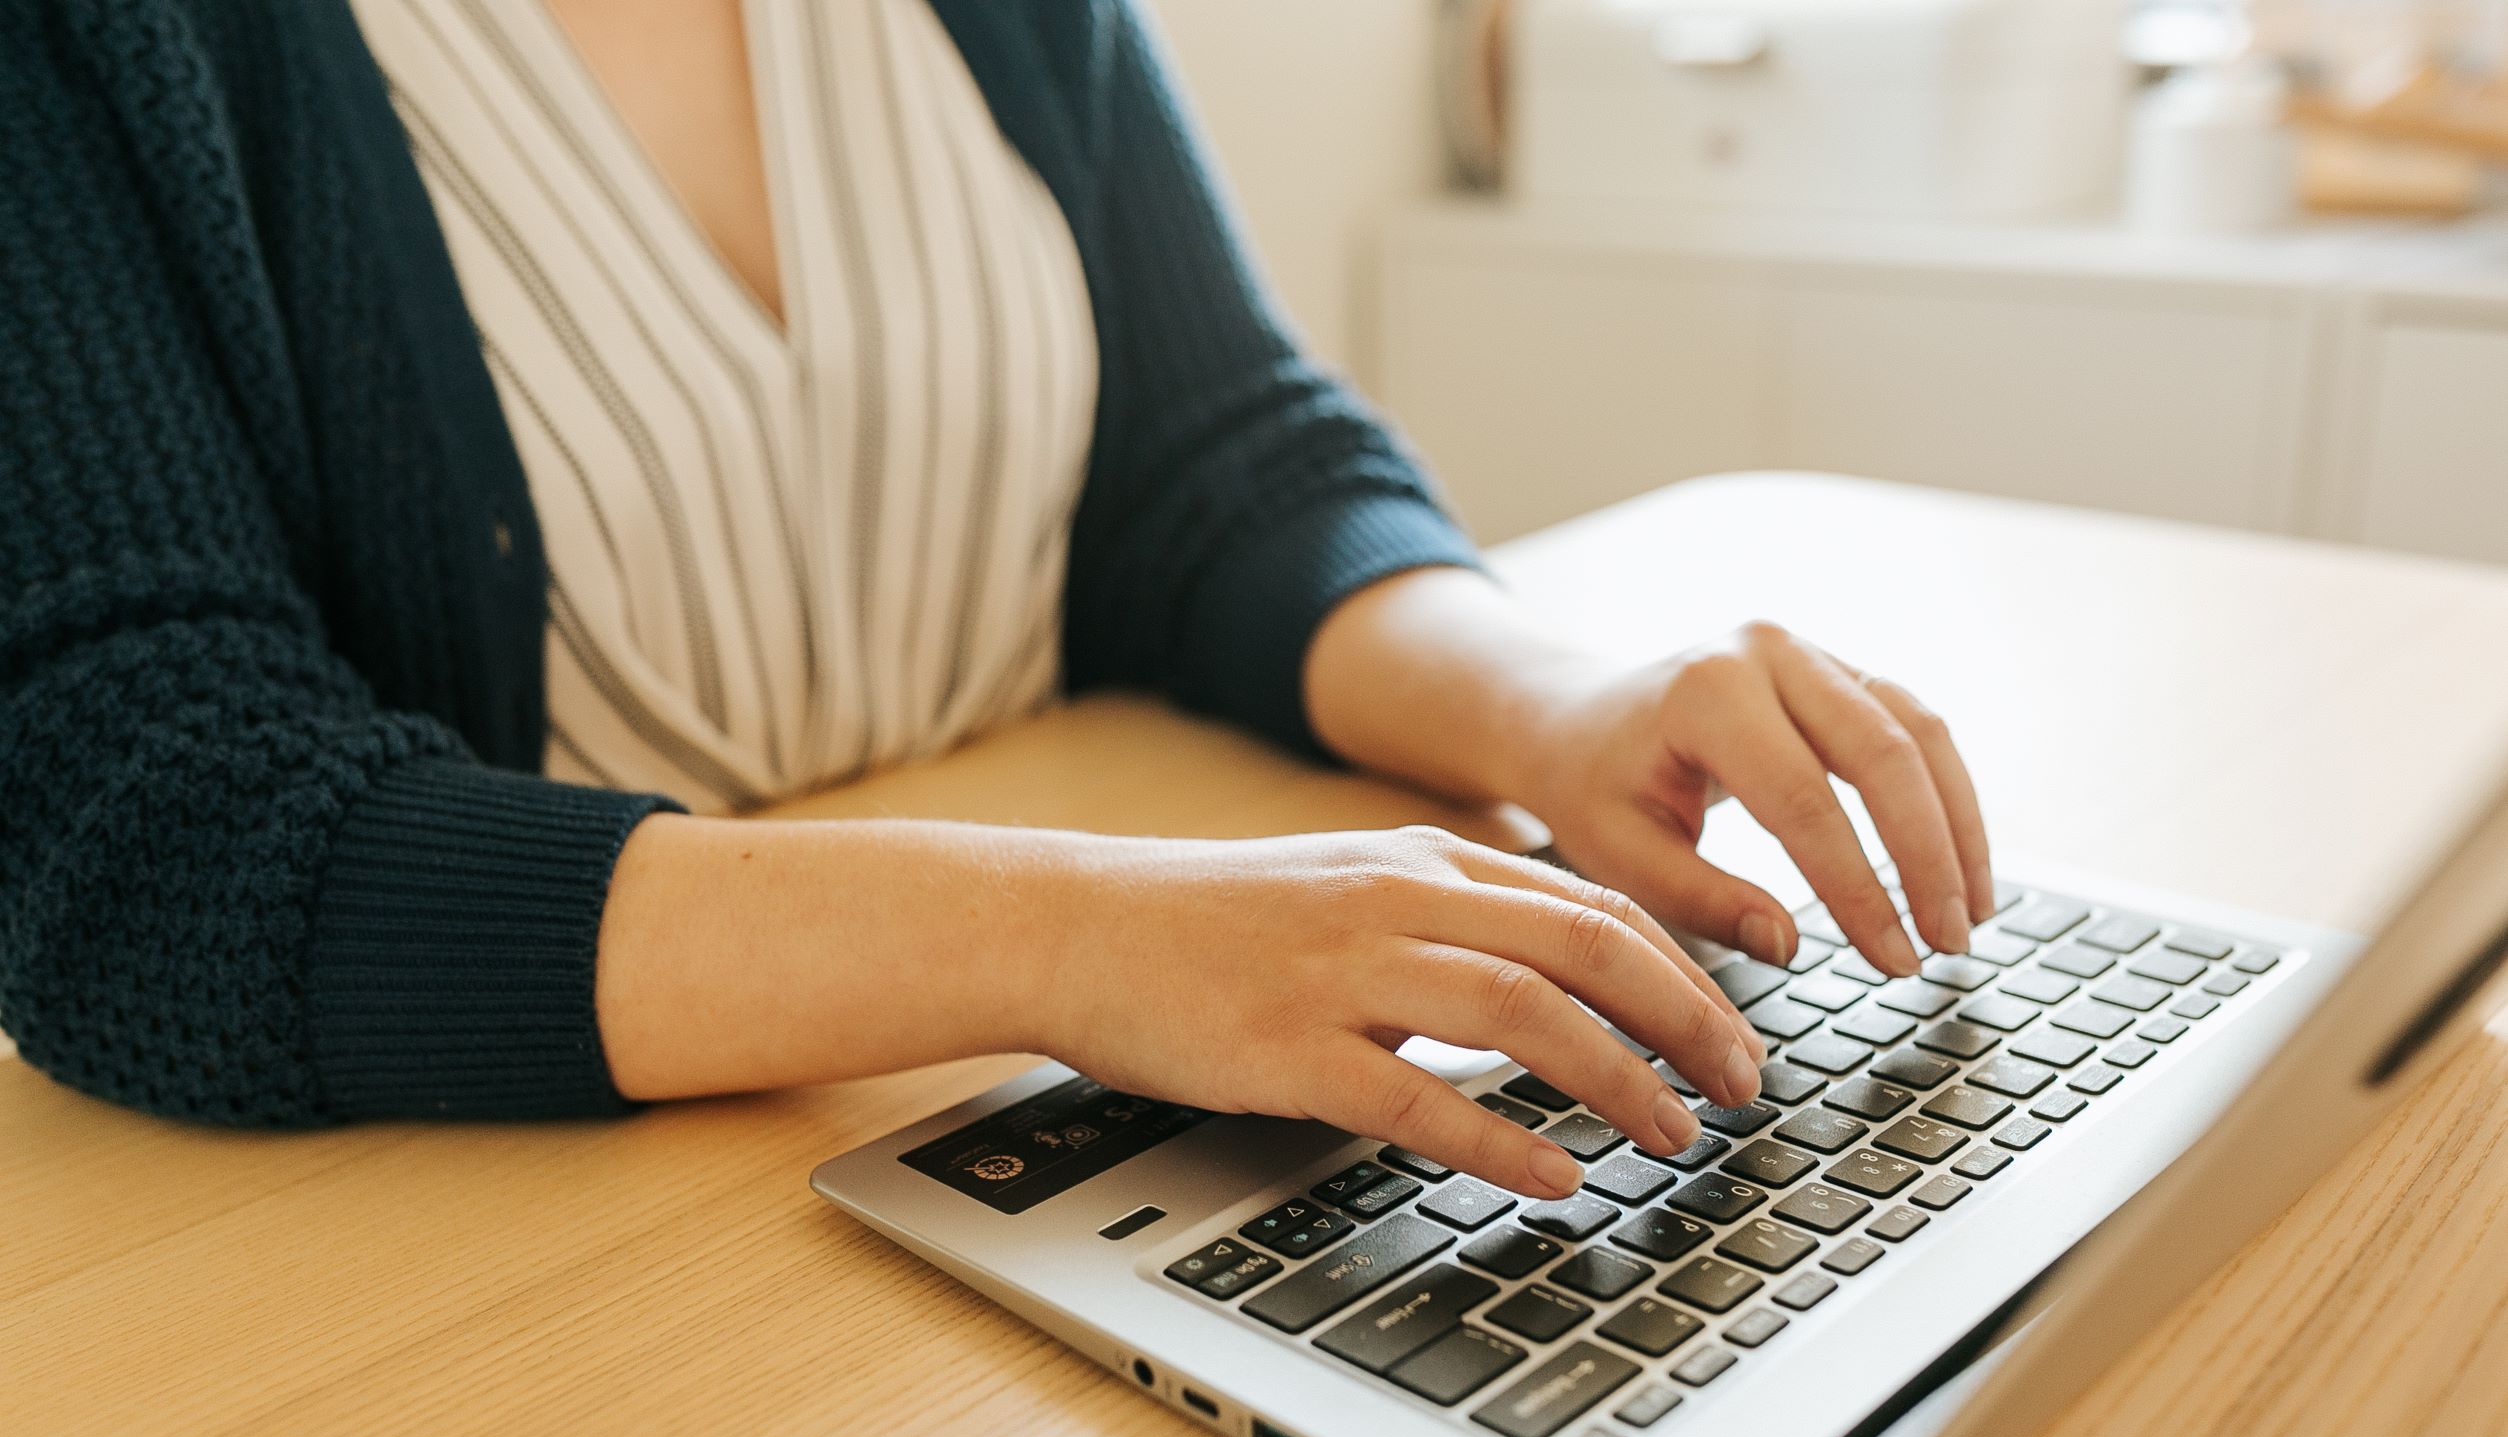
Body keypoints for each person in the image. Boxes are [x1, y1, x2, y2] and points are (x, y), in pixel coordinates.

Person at [0, 0, 1991, 1201]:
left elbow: (1219, 463)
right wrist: (1075, 932)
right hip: (484, 1242)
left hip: (987, 1165)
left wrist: (1549, 704)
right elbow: (156, 832)